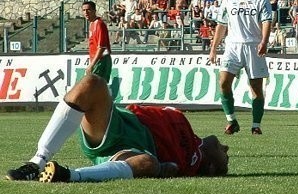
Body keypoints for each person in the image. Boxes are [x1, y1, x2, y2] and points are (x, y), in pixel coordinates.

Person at [5, 74, 229, 182]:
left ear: (211, 167)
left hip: (129, 151)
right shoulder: (192, 137)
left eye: (225, 157)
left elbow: (165, 167)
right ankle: (36, 163)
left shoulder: (191, 163)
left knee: (147, 163)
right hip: (121, 122)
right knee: (92, 84)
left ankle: (68, 175)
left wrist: (161, 169)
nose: (226, 148)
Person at [209, 0, 272, 135]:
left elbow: (267, 21)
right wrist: (214, 48)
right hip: (233, 46)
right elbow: (221, 25)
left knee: (256, 88)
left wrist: (264, 41)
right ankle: (231, 121)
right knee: (223, 83)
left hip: (253, 46)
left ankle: (256, 125)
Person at [82, 1, 112, 82]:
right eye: (84, 10)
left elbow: (102, 47)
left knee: (94, 88)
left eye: (88, 10)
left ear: (94, 11)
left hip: (101, 60)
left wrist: (92, 64)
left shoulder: (99, 24)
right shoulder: (92, 24)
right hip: (98, 60)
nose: (86, 12)